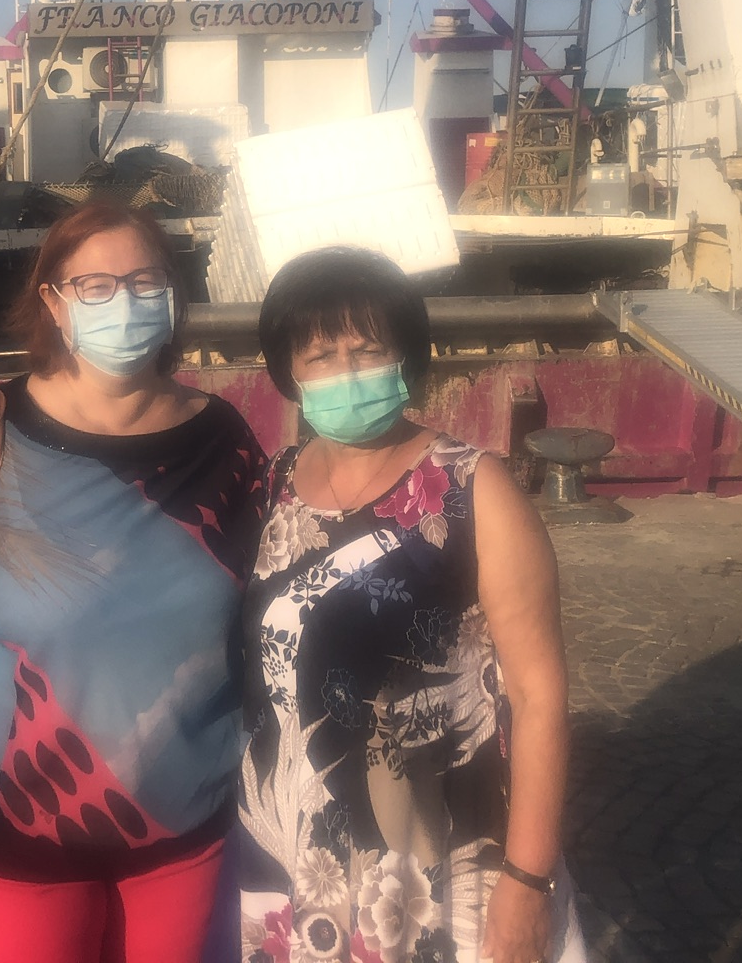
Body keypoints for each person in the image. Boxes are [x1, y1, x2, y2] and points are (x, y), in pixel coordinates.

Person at [0, 202, 267, 963]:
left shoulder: (228, 444)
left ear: (173, 293)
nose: (125, 302)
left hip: (190, 836)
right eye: (96, 286)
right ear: (52, 301)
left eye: (145, 281)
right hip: (10, 833)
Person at [237, 247, 585, 963]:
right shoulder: (272, 487)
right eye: (321, 355)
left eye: (367, 350)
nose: (346, 371)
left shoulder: (474, 490)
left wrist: (528, 880)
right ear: (289, 371)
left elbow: (538, 696)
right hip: (294, 863)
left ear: (406, 358)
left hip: (435, 871)